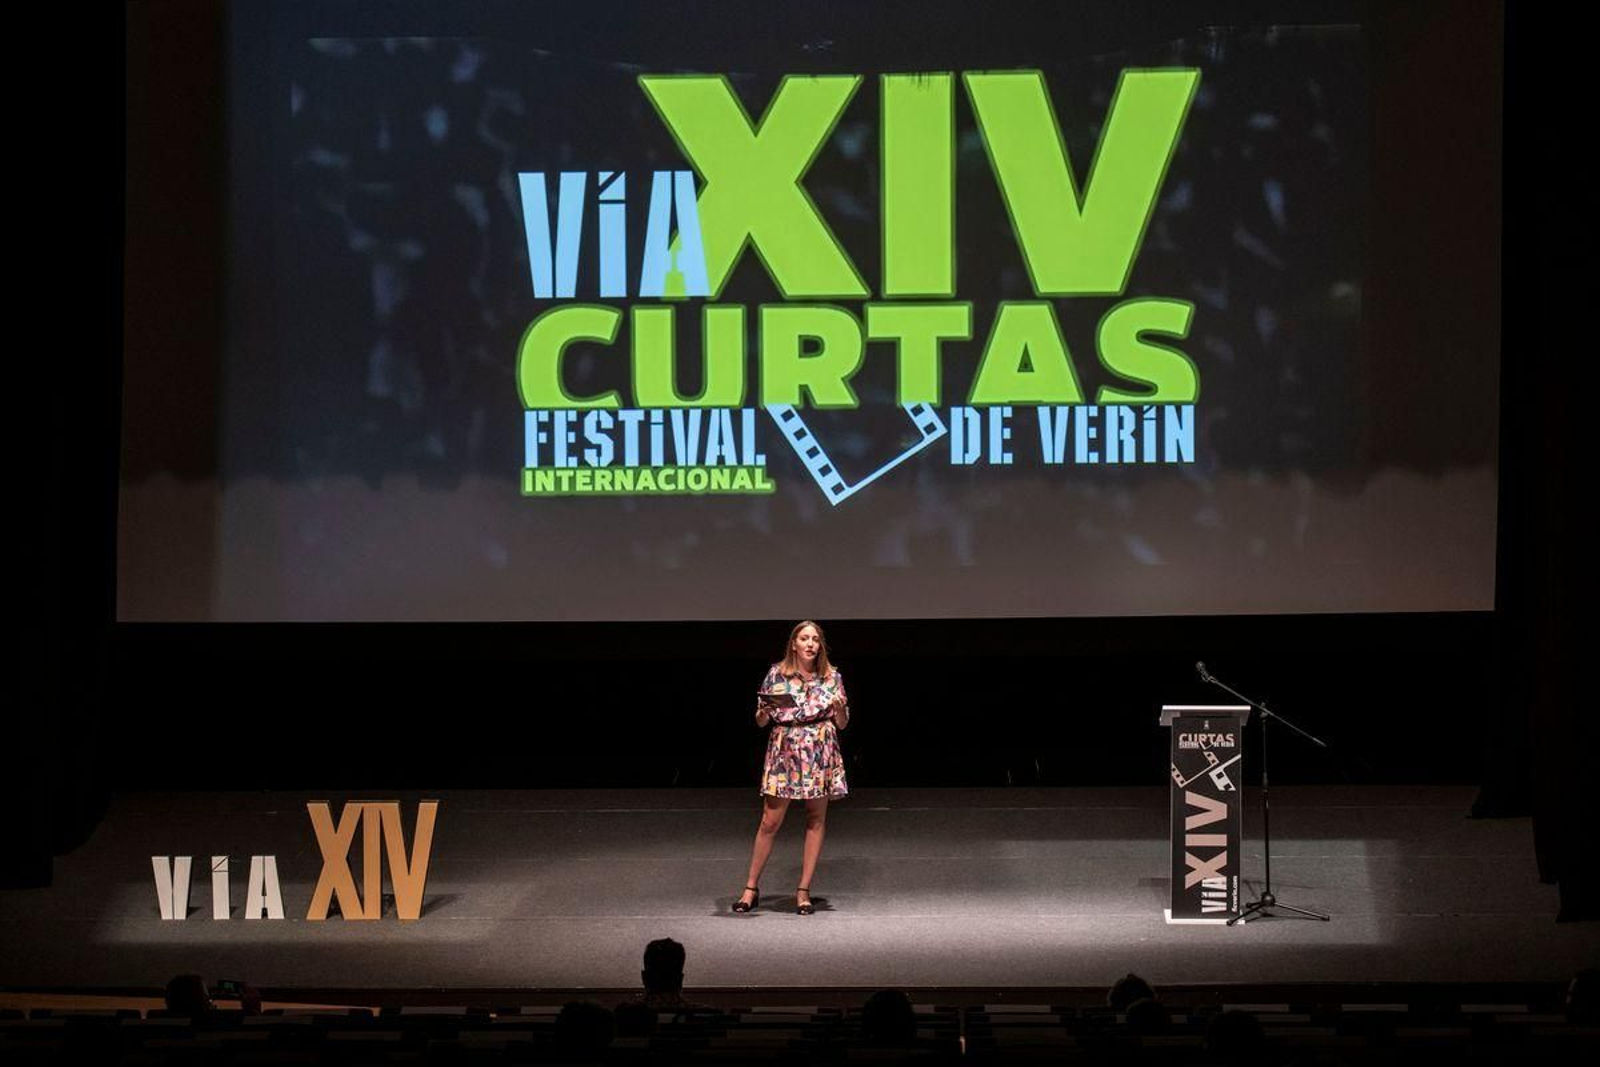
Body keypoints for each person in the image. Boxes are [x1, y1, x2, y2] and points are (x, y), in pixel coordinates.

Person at [733, 620, 849, 915]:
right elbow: (761, 721)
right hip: (785, 750)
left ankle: (803, 891)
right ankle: (750, 888)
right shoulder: (777, 673)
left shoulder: (831, 676)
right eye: (804, 638)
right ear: (794, 644)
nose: (810, 644)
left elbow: (842, 723)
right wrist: (763, 711)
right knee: (770, 821)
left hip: (819, 749)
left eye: (815, 639)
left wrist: (838, 709)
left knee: (815, 818)